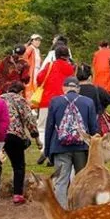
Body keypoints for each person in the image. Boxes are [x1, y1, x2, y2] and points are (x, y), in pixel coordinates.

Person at [43, 76, 99, 207]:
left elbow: (49, 127)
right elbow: (94, 128)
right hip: (82, 148)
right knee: (81, 180)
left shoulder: (55, 102)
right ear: (78, 89)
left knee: (61, 181)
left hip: (59, 147)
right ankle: (81, 209)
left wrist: (47, 151)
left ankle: (63, 212)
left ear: (64, 88)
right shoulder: (88, 102)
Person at [0, 81, 39, 205]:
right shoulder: (20, 100)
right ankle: (17, 195)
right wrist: (36, 137)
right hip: (14, 135)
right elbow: (29, 119)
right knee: (19, 166)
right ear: (21, 91)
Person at [35, 44, 76, 155]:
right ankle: (58, 148)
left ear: (55, 55)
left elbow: (39, 79)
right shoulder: (69, 68)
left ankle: (44, 150)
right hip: (63, 101)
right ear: (67, 56)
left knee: (42, 126)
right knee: (61, 125)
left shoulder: (50, 65)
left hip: (46, 100)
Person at [23, 34, 43, 103]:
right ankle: (29, 103)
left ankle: (34, 104)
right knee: (30, 87)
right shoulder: (30, 48)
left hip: (37, 71)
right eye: (36, 40)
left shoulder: (37, 50)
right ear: (32, 41)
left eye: (39, 40)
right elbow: (24, 58)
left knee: (35, 86)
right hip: (31, 71)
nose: (38, 42)